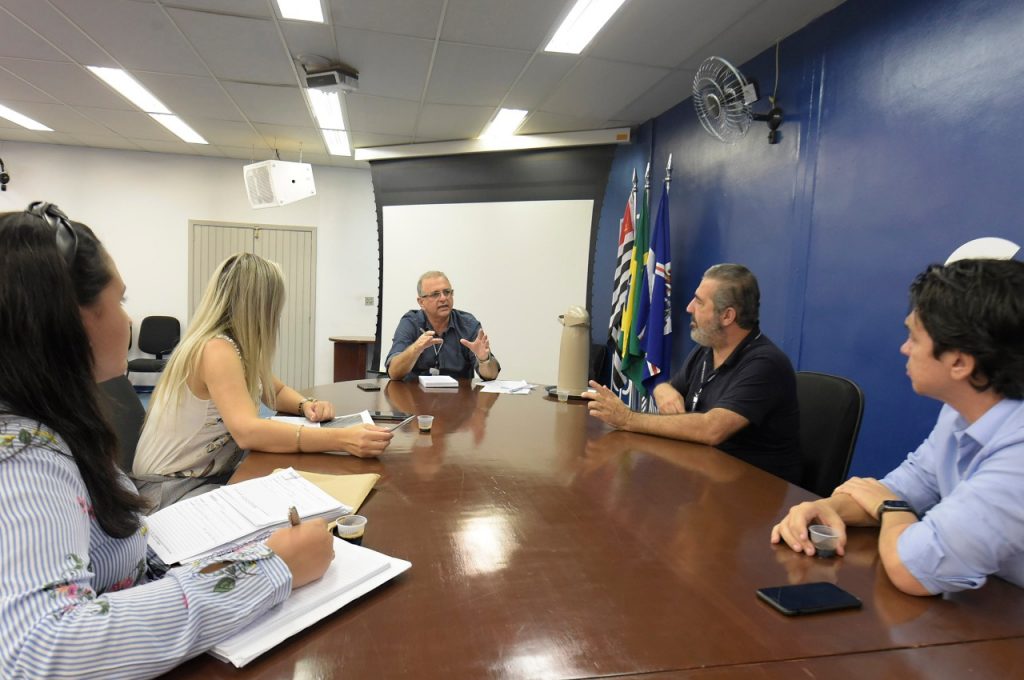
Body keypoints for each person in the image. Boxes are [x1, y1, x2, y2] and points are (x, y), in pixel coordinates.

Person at [0, 203, 333, 679]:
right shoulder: (22, 456)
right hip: (172, 488)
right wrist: (269, 567)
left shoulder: (51, 427)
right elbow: (42, 651)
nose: (128, 319)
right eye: (119, 301)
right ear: (70, 321)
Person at [772, 258, 1024, 596]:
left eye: (914, 338)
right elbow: (907, 485)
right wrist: (827, 508)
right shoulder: (958, 412)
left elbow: (914, 569)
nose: (904, 348)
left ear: (960, 362)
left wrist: (891, 509)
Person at [134, 253, 392, 511]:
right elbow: (248, 432)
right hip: (168, 489)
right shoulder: (216, 349)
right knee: (294, 510)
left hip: (203, 475)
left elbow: (274, 391)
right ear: (261, 306)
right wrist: (342, 439)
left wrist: (305, 405)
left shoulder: (235, 345)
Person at [584, 263, 801, 484]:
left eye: (699, 301)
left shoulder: (765, 364)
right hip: (707, 479)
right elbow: (669, 389)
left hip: (757, 491)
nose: (689, 308)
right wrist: (662, 389)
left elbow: (712, 429)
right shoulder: (707, 351)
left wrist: (628, 419)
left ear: (727, 316)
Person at [385, 270, 500, 381]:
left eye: (447, 292)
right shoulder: (411, 322)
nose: (444, 298)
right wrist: (415, 349)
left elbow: (490, 375)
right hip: (415, 396)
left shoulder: (468, 324)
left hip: (458, 397)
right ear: (421, 302)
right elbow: (394, 373)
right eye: (435, 294)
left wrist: (484, 359)